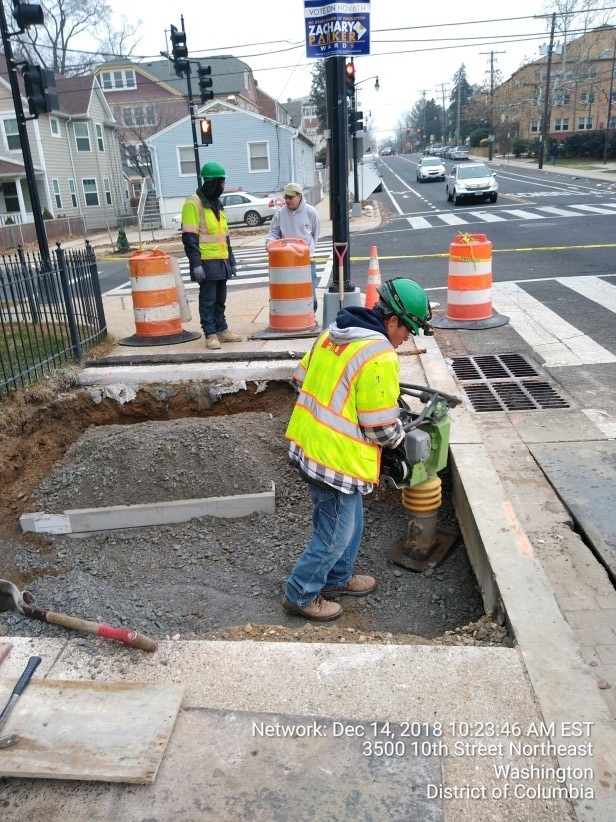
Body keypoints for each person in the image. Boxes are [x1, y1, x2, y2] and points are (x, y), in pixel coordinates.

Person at [282, 278, 434, 621]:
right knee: (334, 534)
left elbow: (298, 379)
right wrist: (400, 441)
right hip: (335, 461)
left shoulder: (333, 332)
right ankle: (301, 593)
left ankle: (337, 578)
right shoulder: (378, 354)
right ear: (393, 321)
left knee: (349, 522)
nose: (405, 340)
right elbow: (380, 428)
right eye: (407, 332)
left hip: (310, 446)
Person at [181, 161, 243, 350]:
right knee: (208, 299)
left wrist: (231, 260)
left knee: (220, 298)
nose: (223, 187)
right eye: (221, 183)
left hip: (221, 260)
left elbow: (224, 236)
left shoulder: (216, 204)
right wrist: (195, 264)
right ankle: (210, 333)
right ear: (211, 183)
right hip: (206, 262)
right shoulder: (193, 203)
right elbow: (189, 237)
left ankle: (222, 330)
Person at [265, 182, 321, 311]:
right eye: (286, 197)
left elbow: (315, 234)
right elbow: (274, 232)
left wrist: (309, 250)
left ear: (299, 196)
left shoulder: (310, 212)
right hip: (287, 259)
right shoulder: (280, 214)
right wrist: (269, 242)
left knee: (308, 287)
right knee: (289, 289)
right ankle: (292, 313)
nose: (288, 200)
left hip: (306, 258)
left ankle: (311, 311)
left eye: (291, 197)